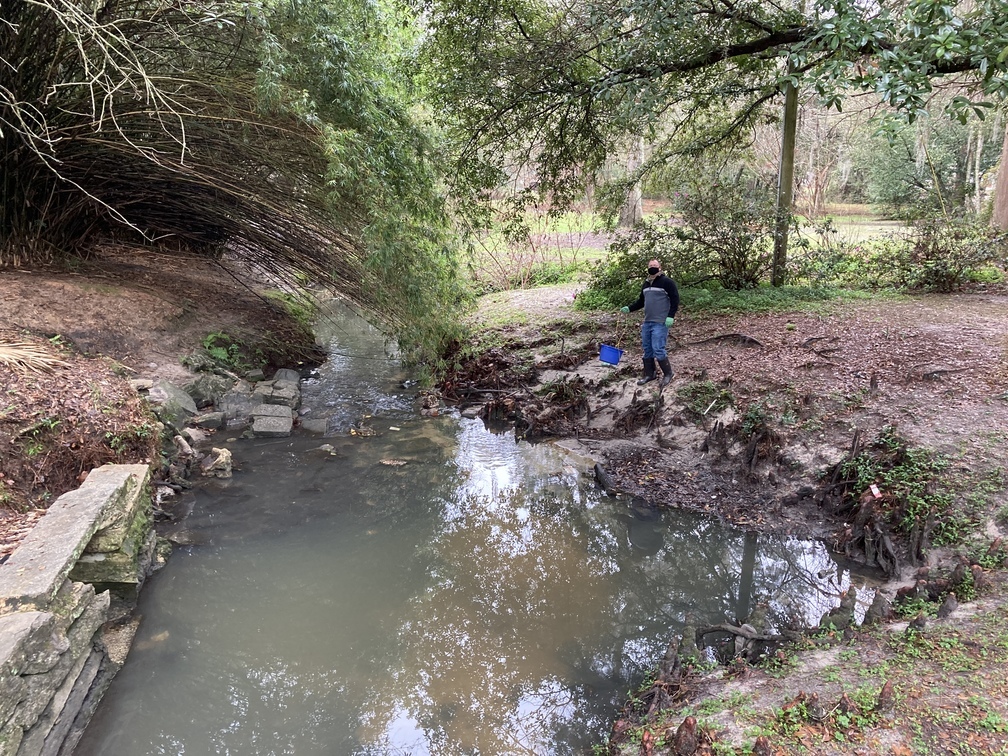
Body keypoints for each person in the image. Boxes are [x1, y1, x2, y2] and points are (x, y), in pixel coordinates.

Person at [620, 259, 679, 387]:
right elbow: (641, 301)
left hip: (660, 321)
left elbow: (675, 299)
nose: (652, 267)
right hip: (647, 322)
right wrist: (629, 308)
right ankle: (650, 374)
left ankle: (668, 374)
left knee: (658, 348)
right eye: (650, 266)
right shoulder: (646, 284)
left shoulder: (667, 282)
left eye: (655, 265)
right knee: (647, 349)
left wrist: (671, 316)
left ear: (660, 267)